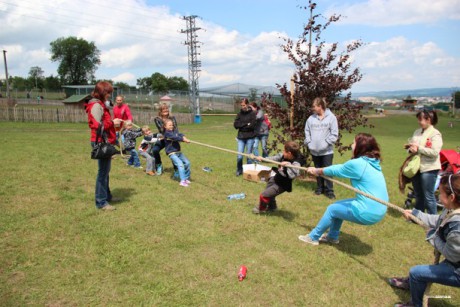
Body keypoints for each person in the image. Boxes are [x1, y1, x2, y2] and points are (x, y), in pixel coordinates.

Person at [299, 133, 388, 245]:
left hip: (368, 211)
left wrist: (317, 171)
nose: (352, 145)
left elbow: (338, 170)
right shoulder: (372, 162)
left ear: (361, 147)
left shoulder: (359, 164)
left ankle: (313, 237)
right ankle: (332, 237)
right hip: (379, 209)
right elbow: (340, 168)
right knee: (337, 207)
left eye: (354, 143)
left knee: (332, 209)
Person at [389, 173, 460, 307]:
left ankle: (416, 304)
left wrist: (432, 235)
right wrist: (416, 215)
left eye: (440, 193)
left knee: (416, 273)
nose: (437, 196)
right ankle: (412, 284)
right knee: (421, 274)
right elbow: (438, 220)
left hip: (456, 269)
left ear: (452, 197)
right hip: (455, 261)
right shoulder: (452, 209)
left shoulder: (458, 227)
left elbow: (450, 254)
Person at [85, 81, 122, 211]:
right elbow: (97, 125)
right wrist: (113, 122)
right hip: (100, 142)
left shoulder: (100, 104)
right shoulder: (95, 105)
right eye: (108, 93)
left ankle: (107, 196)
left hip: (105, 140)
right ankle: (101, 202)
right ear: (102, 92)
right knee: (103, 173)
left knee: (106, 171)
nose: (109, 95)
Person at [405, 110, 443, 214]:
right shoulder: (417, 132)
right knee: (418, 194)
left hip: (429, 168)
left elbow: (435, 152)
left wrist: (418, 148)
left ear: (428, 120)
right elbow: (412, 145)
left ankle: (432, 220)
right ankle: (417, 216)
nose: (418, 121)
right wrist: (410, 149)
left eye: (420, 119)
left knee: (428, 195)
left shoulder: (435, 134)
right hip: (417, 168)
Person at [252, 141, 301, 214]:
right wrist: (262, 159)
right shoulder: (283, 156)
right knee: (270, 193)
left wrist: (288, 165)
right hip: (275, 178)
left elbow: (293, 175)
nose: (283, 152)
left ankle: (260, 208)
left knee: (264, 195)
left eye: (284, 150)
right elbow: (273, 158)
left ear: (289, 153)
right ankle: (272, 207)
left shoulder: (296, 163)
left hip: (282, 184)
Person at [304, 97, 339, 199]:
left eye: (314, 106)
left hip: (327, 152)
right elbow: (307, 132)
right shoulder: (311, 119)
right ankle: (319, 188)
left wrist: (325, 144)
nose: (313, 108)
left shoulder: (331, 118)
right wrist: (309, 143)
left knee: (327, 171)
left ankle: (329, 191)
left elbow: (334, 134)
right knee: (317, 170)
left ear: (320, 106)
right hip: (314, 151)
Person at [163, 119, 191, 187]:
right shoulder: (167, 133)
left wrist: (184, 137)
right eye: (169, 125)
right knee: (180, 164)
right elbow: (175, 137)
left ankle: (186, 178)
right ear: (165, 126)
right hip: (172, 153)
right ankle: (182, 181)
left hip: (178, 151)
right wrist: (183, 140)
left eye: (172, 125)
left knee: (187, 163)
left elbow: (180, 134)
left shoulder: (174, 131)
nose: (171, 126)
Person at [153, 103, 178, 175]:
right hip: (163, 138)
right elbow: (161, 130)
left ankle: (176, 169)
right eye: (163, 109)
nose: (166, 110)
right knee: (155, 150)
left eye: (166, 108)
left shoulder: (172, 117)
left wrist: (175, 137)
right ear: (160, 111)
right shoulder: (157, 119)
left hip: (172, 139)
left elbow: (175, 128)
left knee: (173, 153)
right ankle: (159, 165)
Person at [234, 98, 257, 176]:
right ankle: (239, 170)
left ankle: (248, 172)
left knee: (248, 156)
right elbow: (235, 125)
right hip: (241, 137)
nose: (242, 106)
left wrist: (243, 125)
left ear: (247, 104)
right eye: (241, 105)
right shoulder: (239, 114)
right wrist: (246, 124)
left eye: (244, 105)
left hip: (250, 137)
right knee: (239, 156)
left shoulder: (253, 113)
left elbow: (252, 126)